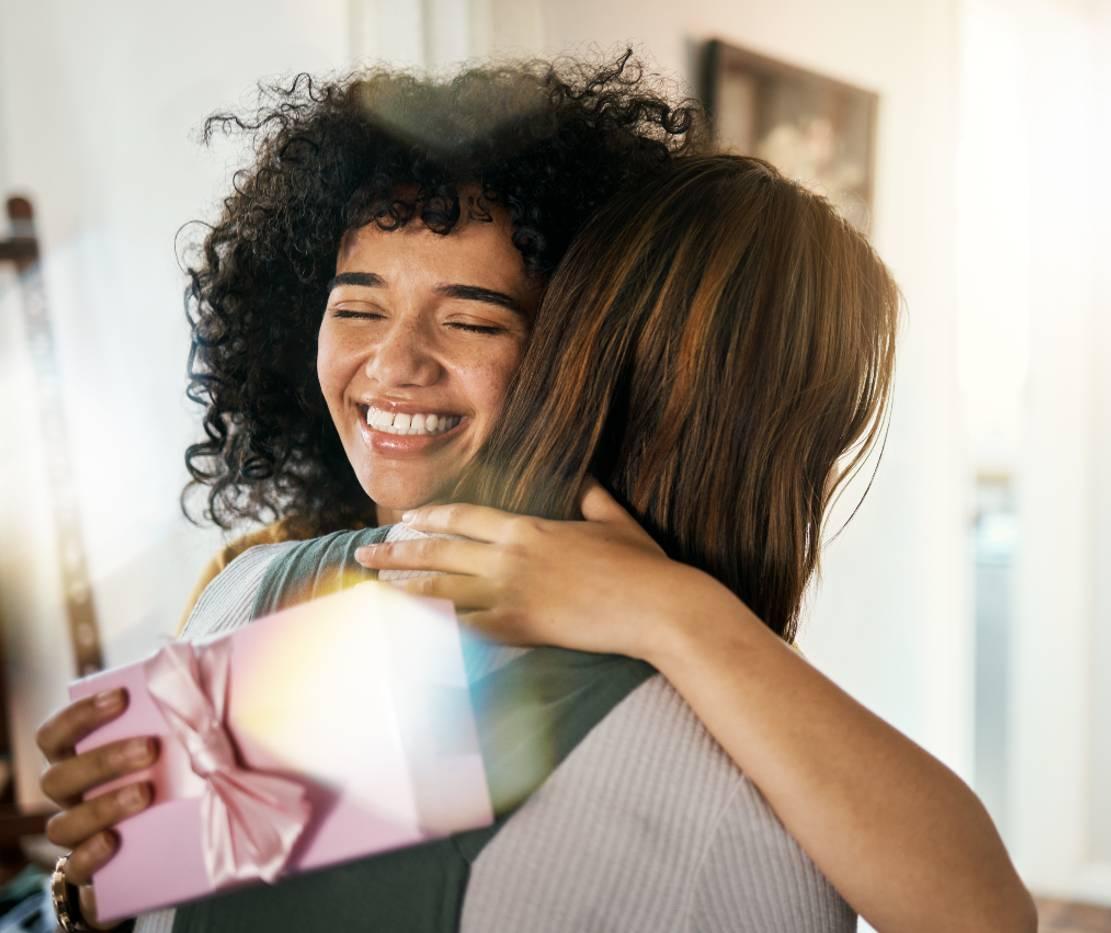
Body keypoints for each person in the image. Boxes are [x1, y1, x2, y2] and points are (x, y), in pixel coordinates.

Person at [34, 58, 1035, 933]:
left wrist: (673, 613)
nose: (396, 363)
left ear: (568, 353)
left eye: (472, 321)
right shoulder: (261, 587)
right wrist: (95, 888)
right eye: (357, 307)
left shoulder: (669, 692)